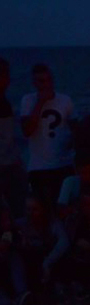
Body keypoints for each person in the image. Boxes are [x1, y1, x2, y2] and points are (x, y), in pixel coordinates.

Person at [20, 64, 75, 206]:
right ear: (34, 83)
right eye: (41, 81)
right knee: (43, 209)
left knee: (65, 207)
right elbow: (27, 131)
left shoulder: (65, 100)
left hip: (64, 164)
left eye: (48, 80)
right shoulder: (28, 101)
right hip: (39, 167)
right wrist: (41, 102)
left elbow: (75, 129)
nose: (45, 84)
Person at [16, 195, 69, 293]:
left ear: (43, 210)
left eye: (35, 209)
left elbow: (64, 242)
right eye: (28, 209)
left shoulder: (53, 224)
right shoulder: (21, 225)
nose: (30, 213)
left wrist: (48, 262)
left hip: (51, 261)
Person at [0, 58, 23, 218]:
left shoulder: (4, 102)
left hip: (9, 163)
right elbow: (6, 138)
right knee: (16, 210)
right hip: (6, 165)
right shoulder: (3, 104)